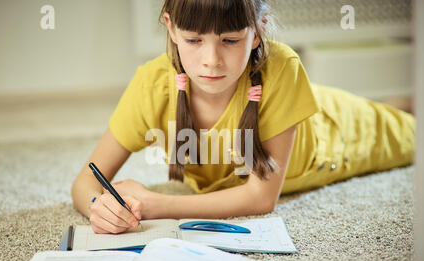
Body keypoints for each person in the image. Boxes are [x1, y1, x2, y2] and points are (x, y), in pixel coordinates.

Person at [71, 0, 415, 234]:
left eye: (230, 39)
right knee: (392, 109)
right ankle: (397, 102)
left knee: (408, 134)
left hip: (332, 131)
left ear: (258, 30)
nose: (211, 60)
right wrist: (97, 206)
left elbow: (260, 198)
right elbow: (85, 182)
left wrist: (158, 205)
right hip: (293, 108)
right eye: (193, 39)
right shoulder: (151, 83)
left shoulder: (283, 67)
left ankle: (400, 106)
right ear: (171, 28)